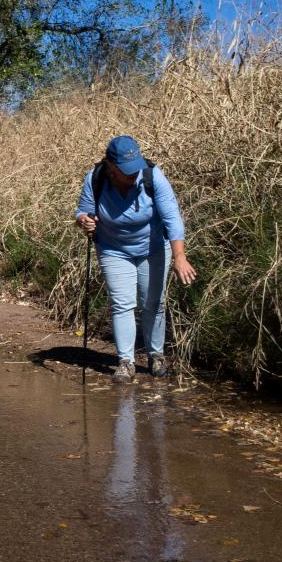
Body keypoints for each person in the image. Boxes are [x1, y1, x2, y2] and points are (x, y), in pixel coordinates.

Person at [74, 136, 196, 382]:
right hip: (112, 249)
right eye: (126, 170)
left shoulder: (152, 177)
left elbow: (173, 219)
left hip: (153, 248)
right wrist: (84, 221)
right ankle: (126, 362)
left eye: (135, 168)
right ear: (111, 166)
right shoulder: (95, 178)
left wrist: (180, 257)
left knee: (153, 303)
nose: (133, 174)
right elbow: (83, 211)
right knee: (122, 304)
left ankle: (156, 356)